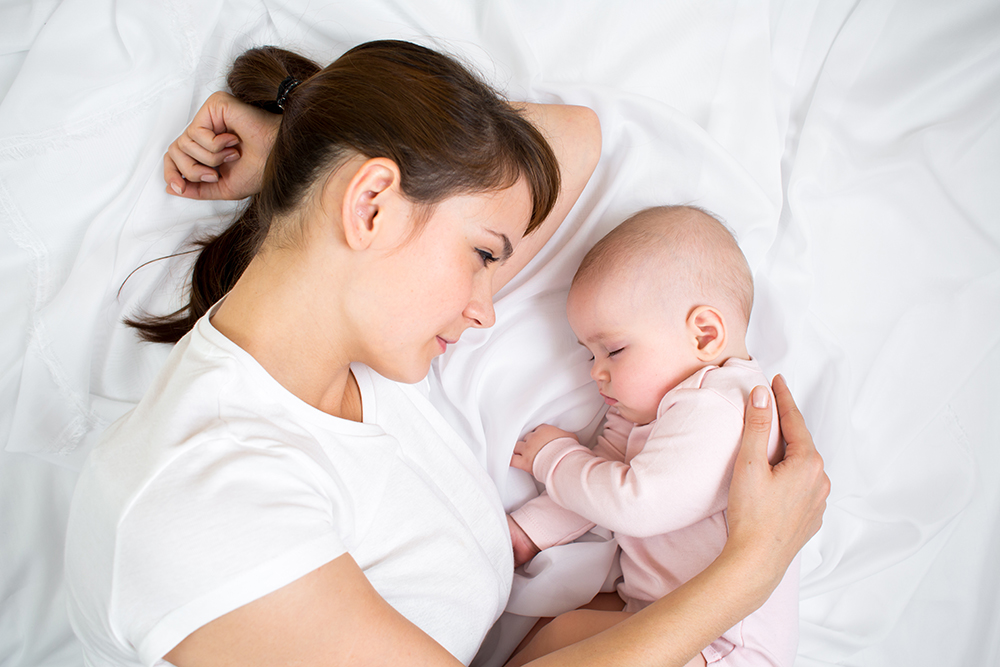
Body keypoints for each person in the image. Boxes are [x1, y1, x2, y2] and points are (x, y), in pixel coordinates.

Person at [63, 39, 829, 667]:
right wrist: (753, 565)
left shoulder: (358, 354)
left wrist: (299, 152)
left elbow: (568, 137)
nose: (485, 308)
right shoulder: (199, 499)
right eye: (484, 255)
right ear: (371, 206)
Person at [505, 206, 798, 667]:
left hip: (722, 650)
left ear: (704, 334)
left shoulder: (722, 407)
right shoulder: (662, 407)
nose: (596, 373)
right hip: (671, 627)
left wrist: (554, 459)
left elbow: (635, 502)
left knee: (562, 636)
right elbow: (602, 477)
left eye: (614, 350)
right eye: (589, 354)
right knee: (559, 633)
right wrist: (528, 531)